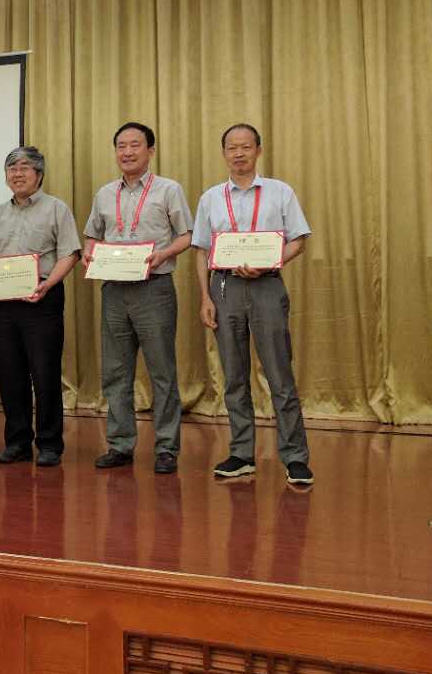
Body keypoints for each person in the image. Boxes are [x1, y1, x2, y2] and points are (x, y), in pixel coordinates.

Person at [192, 123, 314, 486]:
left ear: (258, 150)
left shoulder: (280, 191)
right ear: (224, 153)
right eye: (232, 147)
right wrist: (205, 297)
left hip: (266, 286)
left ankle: (295, 457)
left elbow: (299, 240)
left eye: (246, 146)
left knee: (279, 373)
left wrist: (270, 262)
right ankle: (242, 453)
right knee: (233, 375)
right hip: (224, 287)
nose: (239, 153)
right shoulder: (211, 198)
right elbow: (201, 250)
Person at [83, 122, 193, 474]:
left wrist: (163, 254)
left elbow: (187, 235)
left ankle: (166, 448)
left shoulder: (168, 190)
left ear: (150, 151)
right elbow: (92, 236)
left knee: (161, 371)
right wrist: (89, 253)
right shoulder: (104, 193)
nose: (127, 152)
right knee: (116, 371)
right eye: (121, 146)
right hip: (114, 289)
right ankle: (120, 444)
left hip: (153, 288)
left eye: (135, 145)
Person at [0, 147, 81, 467]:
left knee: (45, 373)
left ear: (39, 174)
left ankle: (50, 443)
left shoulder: (56, 208)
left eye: (25, 167)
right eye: (11, 168)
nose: (17, 173)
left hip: (42, 298)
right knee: (9, 375)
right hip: (2, 304)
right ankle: (17, 442)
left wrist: (48, 284)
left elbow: (70, 253)